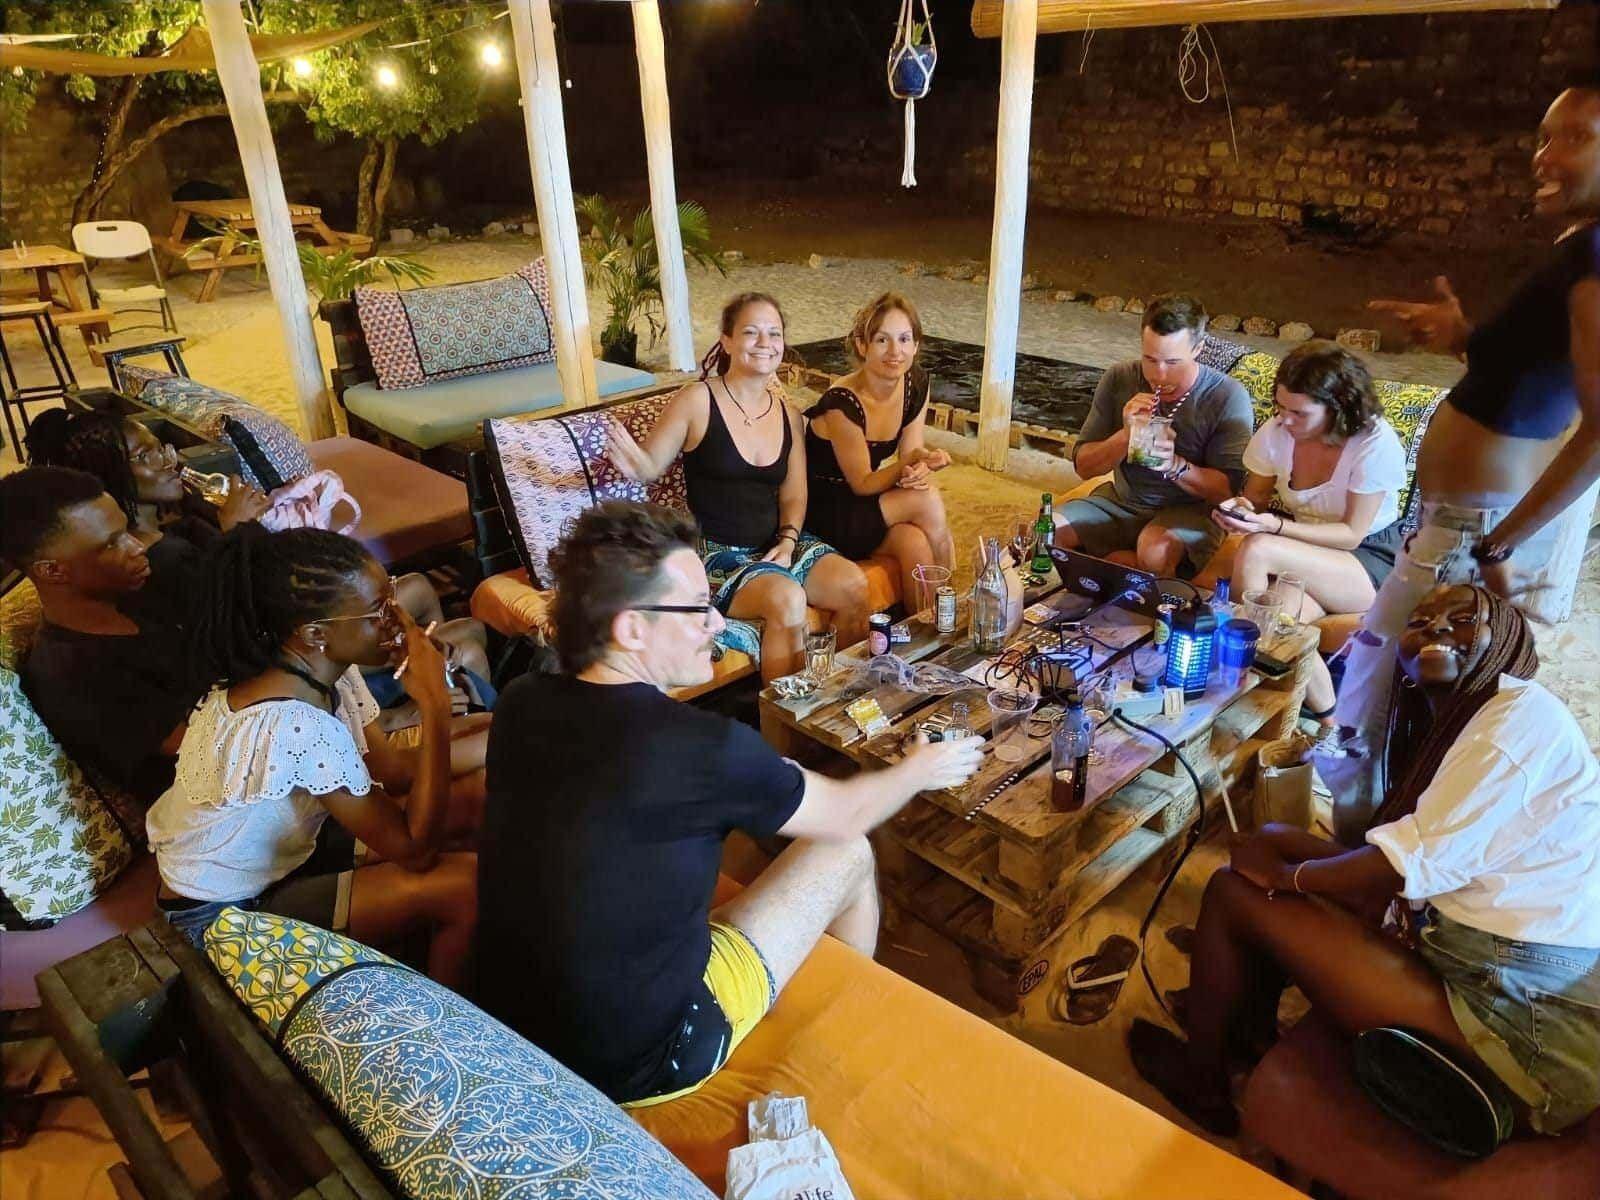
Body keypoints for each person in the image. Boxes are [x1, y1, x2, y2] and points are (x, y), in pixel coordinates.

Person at [475, 502, 985, 1105]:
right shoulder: (702, 749)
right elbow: (848, 813)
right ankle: (836, 1045)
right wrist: (921, 768)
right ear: (631, 628)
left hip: (516, 1023)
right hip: (640, 1058)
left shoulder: (522, 700)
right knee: (847, 853)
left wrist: (761, 772)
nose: (717, 622)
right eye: (695, 609)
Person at [1129, 585, 1600, 1139]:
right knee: (1279, 836)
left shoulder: (1511, 726)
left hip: (1520, 1008)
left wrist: (1287, 879)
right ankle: (1248, 1030)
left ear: (1510, 640)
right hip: (1479, 936)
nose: (1437, 628)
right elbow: (1413, 856)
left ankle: (1202, 1078)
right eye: (1421, 620)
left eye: (1465, 618)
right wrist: (1285, 864)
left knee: (1236, 891)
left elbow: (1401, 867)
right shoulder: (1478, 720)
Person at [1333, 85, 1600, 834]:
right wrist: (1461, 336)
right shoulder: (1578, 248)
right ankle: (1367, 868)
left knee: (1375, 702)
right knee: (1401, 705)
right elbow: (1535, 381)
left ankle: (1350, 880)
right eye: (1544, 136)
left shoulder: (1598, 251)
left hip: (1471, 532)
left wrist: (1499, 542)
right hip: (1456, 526)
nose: (1544, 157)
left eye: (1573, 137)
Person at [144, 526, 477, 987]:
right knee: (463, 886)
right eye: (378, 611)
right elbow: (415, 851)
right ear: (315, 633)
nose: (399, 619)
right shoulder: (293, 723)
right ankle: (453, 1025)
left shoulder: (327, 673)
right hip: (219, 918)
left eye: (392, 597)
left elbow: (393, 771)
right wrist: (434, 706)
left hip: (289, 856)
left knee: (470, 811)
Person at [25, 407, 493, 700]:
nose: (170, 458)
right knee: (467, 639)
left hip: (297, 648)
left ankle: (436, 677)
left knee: (422, 594)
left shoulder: (173, 525)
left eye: (162, 446)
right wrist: (239, 530)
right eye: (145, 456)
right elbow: (237, 616)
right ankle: (447, 698)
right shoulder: (147, 564)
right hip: (290, 662)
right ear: (107, 473)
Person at [607, 293, 871, 681]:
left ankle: (834, 698)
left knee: (853, 585)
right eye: (751, 332)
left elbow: (795, 495)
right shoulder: (697, 400)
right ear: (727, 341)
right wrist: (634, 464)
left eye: (774, 334)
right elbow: (650, 465)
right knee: (787, 599)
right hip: (716, 555)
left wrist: (788, 540)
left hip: (777, 546)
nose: (765, 343)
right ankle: (789, 729)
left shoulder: (789, 414)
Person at [1213, 342, 1407, 726]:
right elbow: (1254, 500)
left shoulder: (1373, 442)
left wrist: (1273, 527)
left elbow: (1353, 534)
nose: (1284, 420)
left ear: (1337, 410)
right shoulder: (1277, 432)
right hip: (1304, 552)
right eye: (1280, 407)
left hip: (1370, 558)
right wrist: (1241, 513)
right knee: (1279, 623)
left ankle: (1231, 679)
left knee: (1257, 550)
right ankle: (1331, 722)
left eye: (1299, 412)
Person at [0, 466, 204, 804]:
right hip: (223, 809)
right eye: (112, 544)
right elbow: (214, 746)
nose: (137, 547)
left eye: (126, 531)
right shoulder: (70, 675)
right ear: (52, 570)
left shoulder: (135, 596)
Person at [1056, 294, 1254, 578]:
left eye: (1172, 362)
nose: (1159, 374)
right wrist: (1125, 436)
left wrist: (1174, 466)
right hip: (1121, 502)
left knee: (1153, 551)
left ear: (1198, 349)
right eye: (1150, 359)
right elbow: (1084, 468)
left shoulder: (1226, 396)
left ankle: (1133, 576)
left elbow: (1226, 492)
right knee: (1045, 531)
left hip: (1191, 512)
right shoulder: (1120, 377)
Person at [804, 292, 955, 603]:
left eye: (904, 339)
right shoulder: (841, 403)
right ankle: (952, 596)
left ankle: (923, 636)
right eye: (882, 340)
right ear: (863, 346)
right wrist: (910, 464)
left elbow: (911, 451)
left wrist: (920, 466)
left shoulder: (915, 383)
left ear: (916, 345)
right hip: (828, 508)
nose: (895, 351)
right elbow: (861, 483)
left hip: (869, 503)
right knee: (926, 501)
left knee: (913, 543)